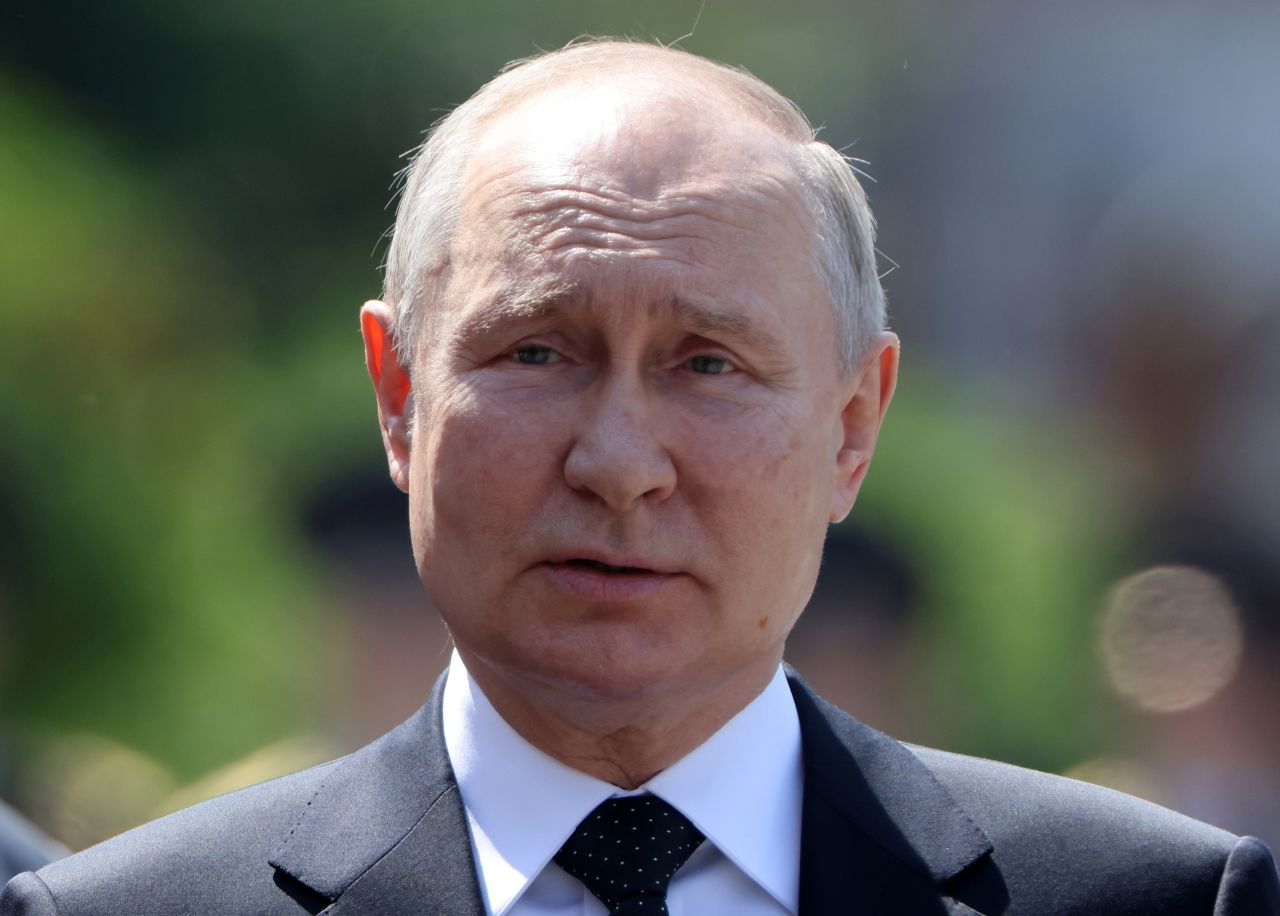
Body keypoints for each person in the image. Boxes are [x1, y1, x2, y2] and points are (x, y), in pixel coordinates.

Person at [3, 39, 1278, 916]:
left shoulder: (1150, 897)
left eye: (708, 364)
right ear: (397, 394)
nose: (618, 460)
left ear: (850, 425)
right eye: (537, 349)